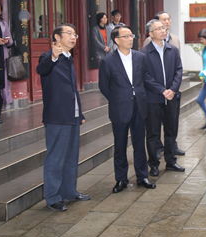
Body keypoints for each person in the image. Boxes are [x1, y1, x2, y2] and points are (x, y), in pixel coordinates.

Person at [37, 24, 90, 212]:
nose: (73, 37)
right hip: (57, 117)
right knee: (55, 159)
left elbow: (73, 90)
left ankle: (69, 191)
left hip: (72, 116)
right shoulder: (48, 57)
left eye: (75, 34)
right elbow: (41, 69)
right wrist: (53, 56)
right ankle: (53, 198)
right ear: (57, 38)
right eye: (68, 33)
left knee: (71, 157)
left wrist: (79, 113)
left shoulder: (68, 58)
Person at [99, 26, 156, 191]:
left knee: (139, 144)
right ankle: (121, 179)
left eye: (131, 35)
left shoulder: (140, 57)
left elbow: (143, 78)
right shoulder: (108, 61)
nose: (130, 39)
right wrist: (118, 99)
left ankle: (142, 176)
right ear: (116, 40)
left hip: (139, 106)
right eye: (126, 36)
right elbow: (104, 86)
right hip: (119, 107)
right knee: (120, 145)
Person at [141, 19, 185, 176]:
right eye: (158, 28)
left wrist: (172, 89)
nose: (163, 30)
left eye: (164, 28)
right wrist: (161, 90)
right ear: (150, 34)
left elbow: (179, 70)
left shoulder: (172, 50)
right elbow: (144, 76)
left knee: (171, 131)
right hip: (153, 99)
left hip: (172, 97)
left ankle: (171, 161)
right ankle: (153, 164)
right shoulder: (144, 53)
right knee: (153, 133)